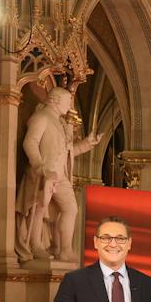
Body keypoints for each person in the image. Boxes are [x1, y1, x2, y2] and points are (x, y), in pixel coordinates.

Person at [14, 86, 102, 263]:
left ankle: (65, 249)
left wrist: (86, 144)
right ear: (55, 100)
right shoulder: (41, 117)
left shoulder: (60, 123)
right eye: (67, 101)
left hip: (60, 175)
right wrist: (39, 166)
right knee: (38, 209)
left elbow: (67, 152)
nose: (69, 106)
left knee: (71, 209)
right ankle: (35, 245)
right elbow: (30, 142)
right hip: (45, 172)